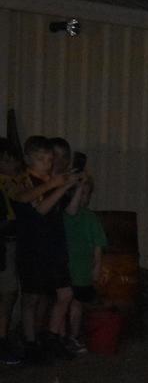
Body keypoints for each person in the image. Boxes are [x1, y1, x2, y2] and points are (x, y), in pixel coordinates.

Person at [9, 136, 80, 361]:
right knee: (31, 298)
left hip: (54, 247)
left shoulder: (52, 180)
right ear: (29, 159)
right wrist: (57, 185)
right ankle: (31, 344)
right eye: (41, 159)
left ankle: (51, 337)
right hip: (33, 249)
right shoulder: (23, 181)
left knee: (65, 293)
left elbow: (70, 211)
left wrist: (74, 185)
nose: (47, 163)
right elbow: (39, 210)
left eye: (49, 159)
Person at [61, 156, 105, 354]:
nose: (83, 197)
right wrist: (79, 183)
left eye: (86, 193)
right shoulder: (66, 214)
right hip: (65, 267)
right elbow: (71, 210)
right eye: (80, 193)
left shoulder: (91, 218)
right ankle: (60, 337)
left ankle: (73, 337)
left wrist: (96, 267)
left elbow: (98, 244)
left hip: (82, 269)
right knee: (62, 303)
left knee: (77, 304)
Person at [0, 140, 23, 364]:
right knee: (7, 292)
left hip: (10, 243)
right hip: (4, 242)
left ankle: (3, 338)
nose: (12, 164)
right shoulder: (7, 183)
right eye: (6, 160)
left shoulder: (15, 181)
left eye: (14, 159)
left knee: (9, 293)